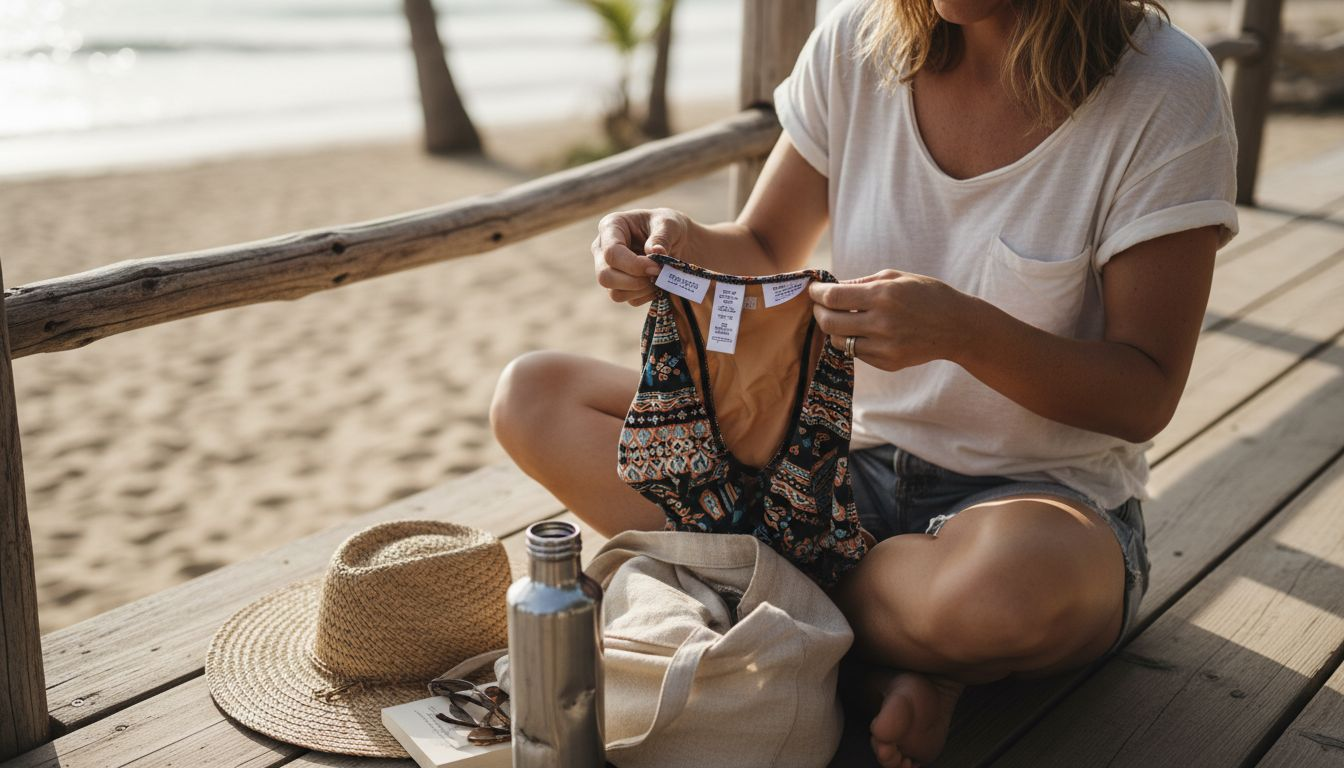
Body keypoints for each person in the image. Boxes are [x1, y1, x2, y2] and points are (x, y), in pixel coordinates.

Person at [491, 0, 1238, 764]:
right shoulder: (858, 41)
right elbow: (760, 241)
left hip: (1041, 505)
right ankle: (877, 658)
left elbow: (1144, 392)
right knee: (537, 396)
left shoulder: (1164, 87)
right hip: (833, 472)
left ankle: (785, 621)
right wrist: (675, 240)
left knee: (1002, 594)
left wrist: (965, 333)